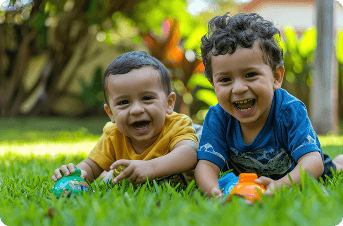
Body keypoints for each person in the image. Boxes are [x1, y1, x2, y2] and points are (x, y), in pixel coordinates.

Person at [194, 13, 343, 199]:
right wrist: (214, 192)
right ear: (213, 84)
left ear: (276, 77)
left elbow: (313, 162)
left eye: (250, 75)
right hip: (253, 180)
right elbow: (206, 165)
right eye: (225, 79)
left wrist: (280, 186)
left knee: (333, 168)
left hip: (299, 168)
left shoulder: (289, 110)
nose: (239, 88)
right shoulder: (218, 117)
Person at [52, 51, 198, 186]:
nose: (136, 110)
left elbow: (189, 154)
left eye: (147, 98)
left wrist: (150, 167)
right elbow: (91, 166)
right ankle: (108, 174)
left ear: (169, 103)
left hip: (197, 136)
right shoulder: (113, 135)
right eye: (123, 102)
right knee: (111, 178)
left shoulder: (177, 125)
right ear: (110, 113)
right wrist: (73, 175)